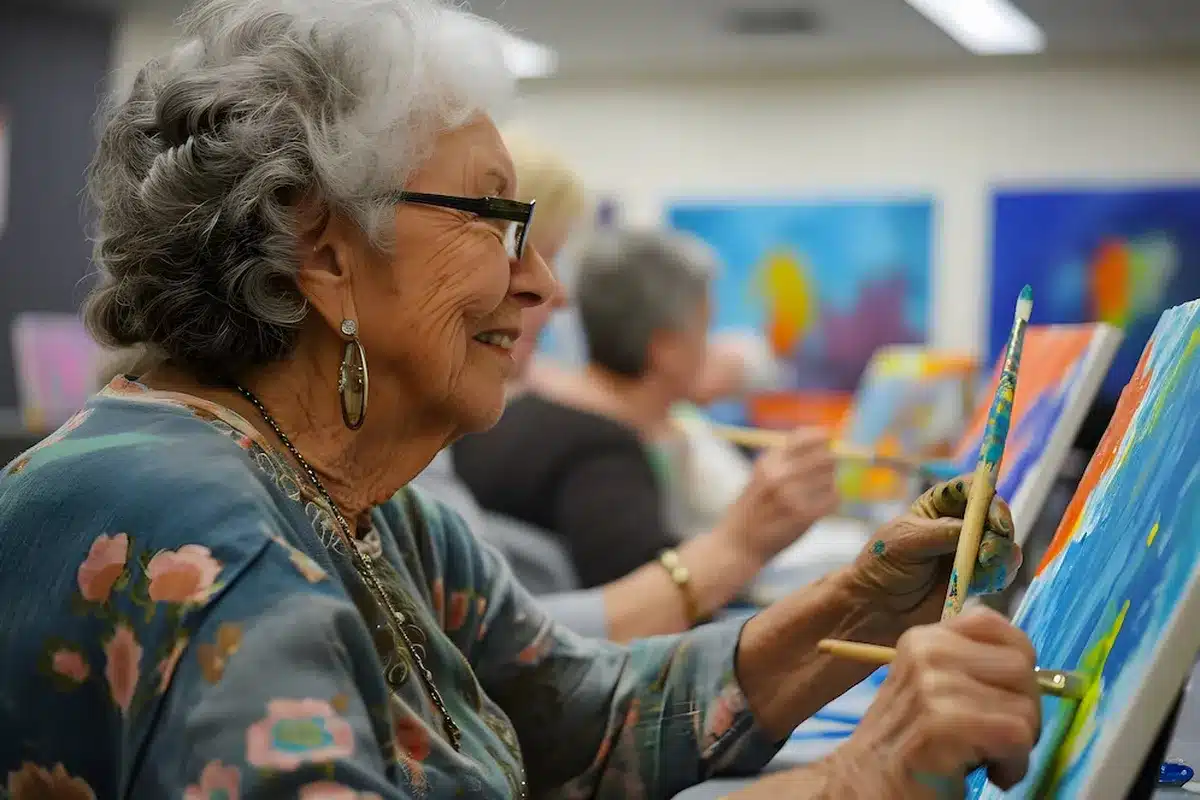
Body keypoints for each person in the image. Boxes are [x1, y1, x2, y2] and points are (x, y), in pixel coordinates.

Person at [0, 0, 1035, 797]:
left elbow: (583, 715)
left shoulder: (359, 499)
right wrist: (856, 775)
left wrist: (867, 599)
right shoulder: (224, 545)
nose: (544, 283)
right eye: (497, 219)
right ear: (321, 249)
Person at [454, 229, 838, 590]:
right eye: (705, 330)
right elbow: (651, 599)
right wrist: (745, 543)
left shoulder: (528, 416)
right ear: (665, 348)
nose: (714, 350)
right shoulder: (600, 449)